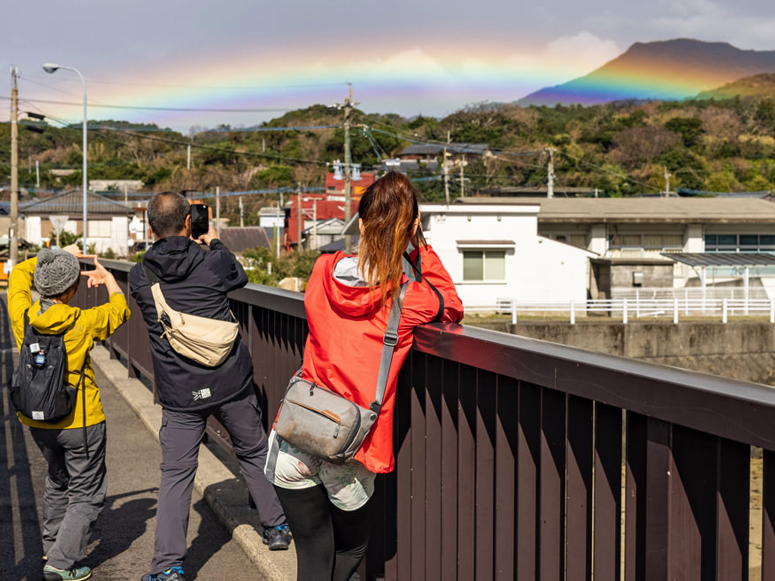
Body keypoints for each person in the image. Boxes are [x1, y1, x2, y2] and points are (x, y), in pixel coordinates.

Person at [265, 171, 464, 581]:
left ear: (361, 221)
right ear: (409, 226)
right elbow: (452, 304)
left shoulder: (322, 270)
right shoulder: (408, 299)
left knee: (313, 563)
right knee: (351, 549)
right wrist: (419, 242)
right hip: (351, 449)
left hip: (295, 436)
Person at [129, 191, 290, 581]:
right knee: (252, 452)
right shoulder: (214, 260)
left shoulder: (140, 275)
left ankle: (168, 565)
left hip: (181, 390)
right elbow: (240, 275)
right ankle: (277, 528)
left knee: (177, 474)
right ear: (189, 222)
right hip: (229, 380)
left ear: (151, 228)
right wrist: (214, 239)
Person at [8, 246, 130, 581]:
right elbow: (120, 310)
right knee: (88, 494)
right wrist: (108, 281)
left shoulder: (23, 316)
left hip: (36, 419)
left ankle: (53, 544)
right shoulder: (83, 322)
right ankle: (61, 563)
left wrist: (53, 258)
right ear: (72, 289)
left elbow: (19, 273)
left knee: (57, 478)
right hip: (81, 421)